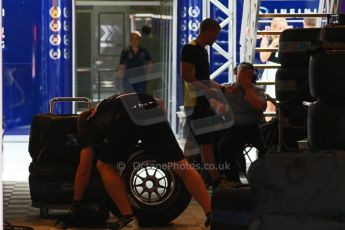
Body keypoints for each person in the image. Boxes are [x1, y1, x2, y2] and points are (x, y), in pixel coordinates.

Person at [67, 92, 212, 229]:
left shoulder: (89, 126)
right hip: (151, 107)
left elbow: (83, 170)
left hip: (127, 115)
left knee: (104, 165)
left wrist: (75, 203)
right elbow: (160, 103)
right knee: (181, 166)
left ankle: (127, 218)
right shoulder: (109, 103)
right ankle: (211, 214)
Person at [181, 18, 233, 188]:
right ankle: (215, 178)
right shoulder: (190, 49)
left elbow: (205, 79)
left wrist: (222, 89)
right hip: (194, 102)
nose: (216, 39)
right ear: (208, 31)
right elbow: (186, 75)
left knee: (194, 144)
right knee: (205, 142)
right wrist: (206, 90)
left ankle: (183, 178)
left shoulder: (202, 51)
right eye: (215, 35)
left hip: (201, 102)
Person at [218, 62, 267, 184]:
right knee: (224, 145)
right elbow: (213, 99)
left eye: (247, 77)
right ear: (236, 74)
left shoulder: (257, 90)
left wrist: (248, 90)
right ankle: (232, 178)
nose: (243, 80)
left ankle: (262, 175)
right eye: (241, 77)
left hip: (253, 127)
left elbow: (261, 107)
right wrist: (218, 106)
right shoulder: (226, 88)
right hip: (234, 127)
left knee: (266, 145)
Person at [259, 18, 289, 116]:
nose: (283, 30)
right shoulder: (268, 39)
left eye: (285, 27)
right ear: (274, 28)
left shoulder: (289, 39)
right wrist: (273, 44)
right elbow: (263, 58)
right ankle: (269, 127)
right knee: (271, 104)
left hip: (285, 71)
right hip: (272, 73)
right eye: (280, 27)